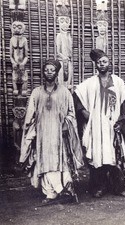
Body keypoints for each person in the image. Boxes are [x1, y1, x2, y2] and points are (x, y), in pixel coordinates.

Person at [19, 59, 84, 204]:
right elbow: (30, 115)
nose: (49, 73)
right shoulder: (36, 92)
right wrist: (31, 132)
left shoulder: (64, 92)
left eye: (52, 70)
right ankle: (50, 193)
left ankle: (65, 189)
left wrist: (67, 124)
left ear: (57, 73)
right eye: (46, 70)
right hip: (42, 134)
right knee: (44, 160)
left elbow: (71, 113)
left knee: (60, 160)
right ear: (43, 72)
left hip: (59, 134)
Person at [73, 49, 125, 198]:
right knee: (98, 155)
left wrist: (121, 121)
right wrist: (83, 112)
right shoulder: (91, 83)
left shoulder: (118, 82)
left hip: (113, 125)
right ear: (96, 65)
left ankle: (119, 187)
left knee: (116, 154)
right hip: (97, 126)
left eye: (104, 61)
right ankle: (98, 187)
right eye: (99, 62)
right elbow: (77, 95)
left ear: (109, 63)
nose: (102, 64)